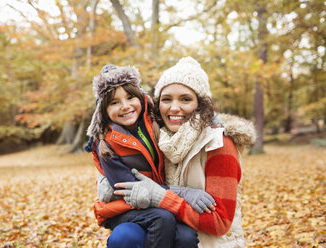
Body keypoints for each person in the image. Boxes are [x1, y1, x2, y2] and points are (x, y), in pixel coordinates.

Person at [107, 57, 256, 247]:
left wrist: (163, 197)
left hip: (207, 243)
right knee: (125, 237)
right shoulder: (159, 138)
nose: (174, 108)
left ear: (201, 104)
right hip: (168, 236)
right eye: (166, 99)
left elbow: (220, 221)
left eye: (185, 99)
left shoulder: (219, 144)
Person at [84, 64, 216, 248]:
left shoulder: (152, 120)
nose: (125, 106)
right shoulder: (106, 144)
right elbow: (130, 189)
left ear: (141, 97)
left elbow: (189, 116)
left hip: (158, 202)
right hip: (125, 207)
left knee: (185, 236)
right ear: (103, 111)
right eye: (114, 102)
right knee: (162, 219)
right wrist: (184, 193)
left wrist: (215, 121)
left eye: (130, 97)